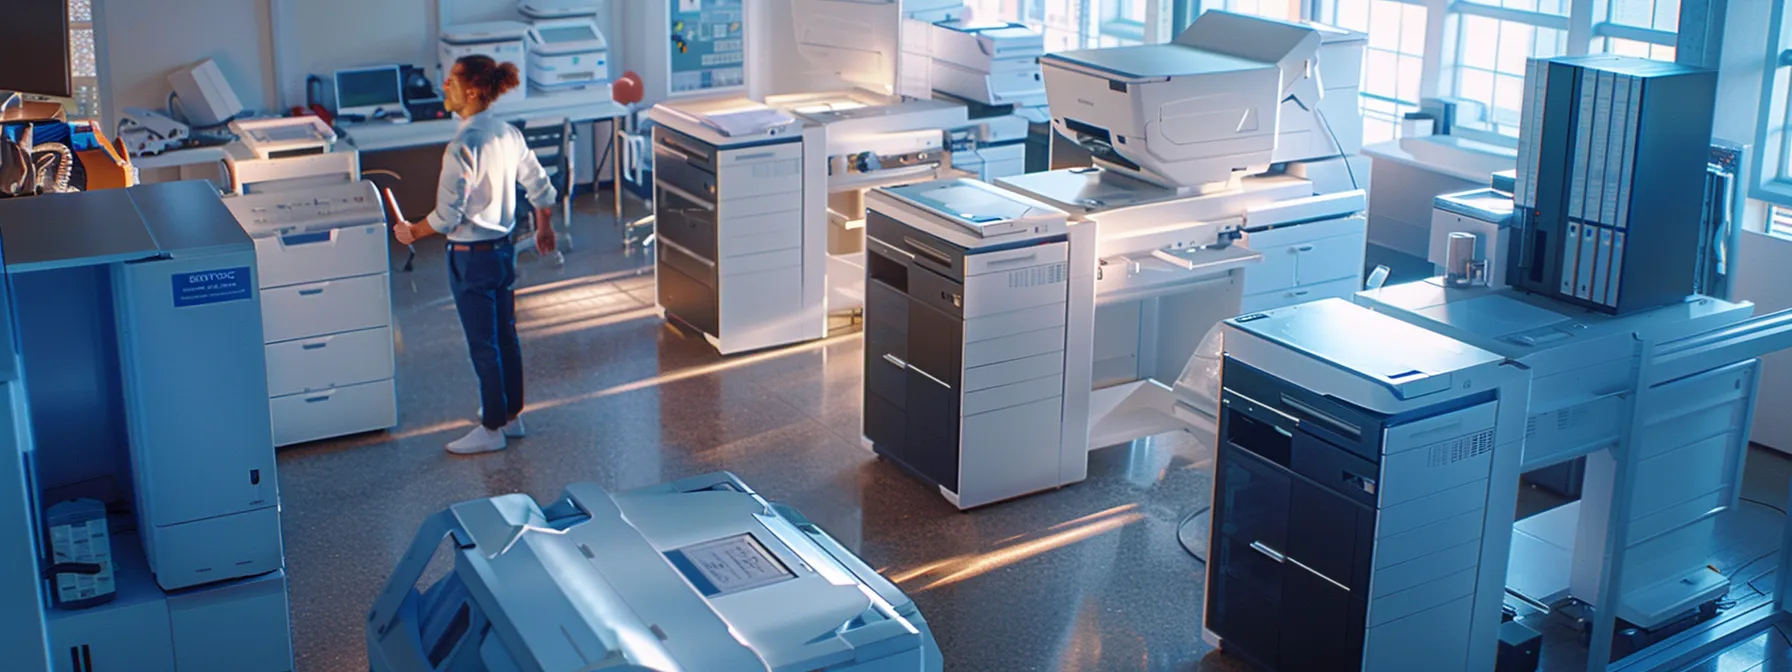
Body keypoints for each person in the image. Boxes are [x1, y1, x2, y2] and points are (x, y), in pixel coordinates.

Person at [384, 55, 557, 455]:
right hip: (502, 254)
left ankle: (491, 428)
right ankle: (511, 416)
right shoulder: (508, 133)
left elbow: (447, 217)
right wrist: (545, 227)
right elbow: (540, 187)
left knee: (484, 343)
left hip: (470, 257)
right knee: (506, 336)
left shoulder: (463, 145)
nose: (445, 88)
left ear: (473, 90)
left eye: (451, 82)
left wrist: (412, 231)